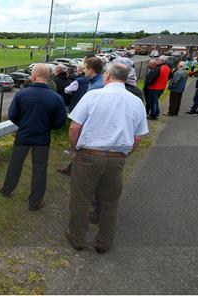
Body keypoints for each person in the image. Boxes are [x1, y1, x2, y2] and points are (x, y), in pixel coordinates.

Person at [64, 63, 148, 254]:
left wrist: (76, 149)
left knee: (81, 199)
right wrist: (124, 155)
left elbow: (74, 127)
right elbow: (138, 137)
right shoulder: (136, 102)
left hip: (89, 155)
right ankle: (104, 242)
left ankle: (77, 237)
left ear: (108, 76)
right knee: (110, 202)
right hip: (117, 158)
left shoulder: (93, 96)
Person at [0, 64, 67, 211]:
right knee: (40, 169)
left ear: (33, 76)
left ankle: (6, 189)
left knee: (15, 164)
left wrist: (24, 124)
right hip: (42, 138)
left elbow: (12, 115)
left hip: (23, 135)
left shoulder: (22, 94)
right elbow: (60, 121)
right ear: (47, 77)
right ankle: (35, 203)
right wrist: (47, 127)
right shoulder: (56, 98)